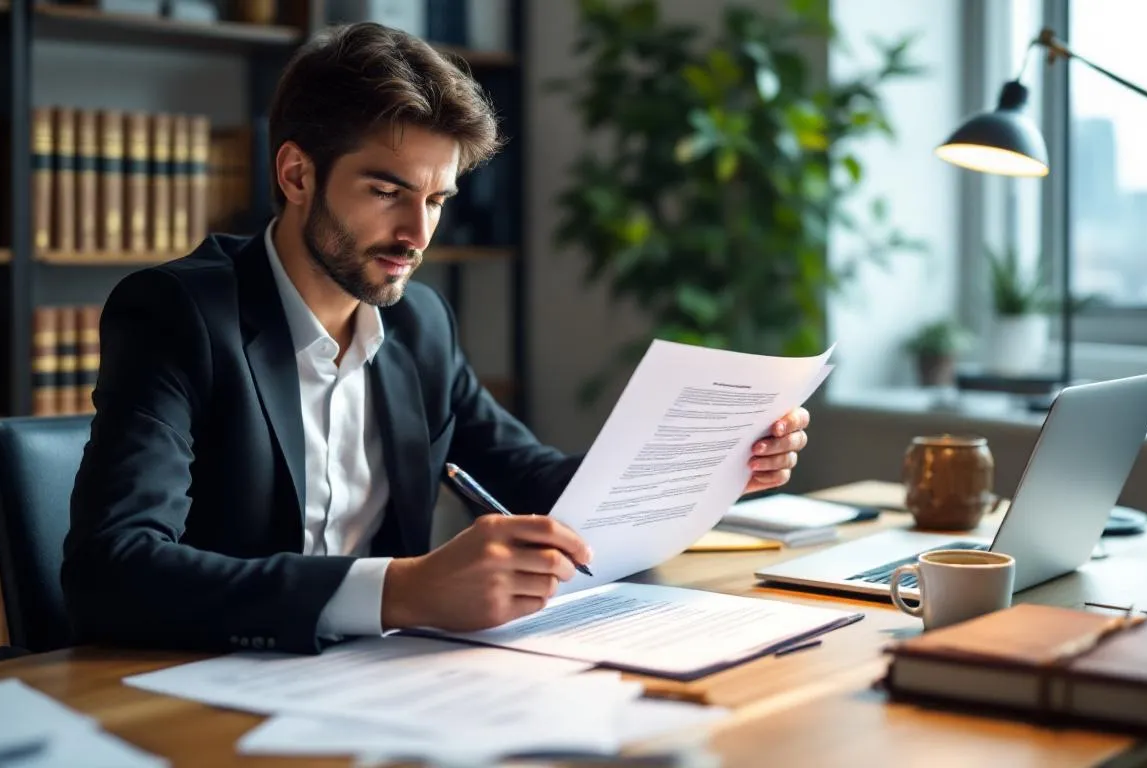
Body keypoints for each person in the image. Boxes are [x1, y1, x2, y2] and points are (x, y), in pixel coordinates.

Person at [60, 22, 811, 655]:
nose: (417, 235)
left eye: (437, 199)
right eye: (386, 192)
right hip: (212, 686)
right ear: (295, 174)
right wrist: (402, 590)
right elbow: (113, 570)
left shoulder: (419, 323)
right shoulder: (177, 313)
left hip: (387, 683)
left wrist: (710, 462)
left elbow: (531, 480)